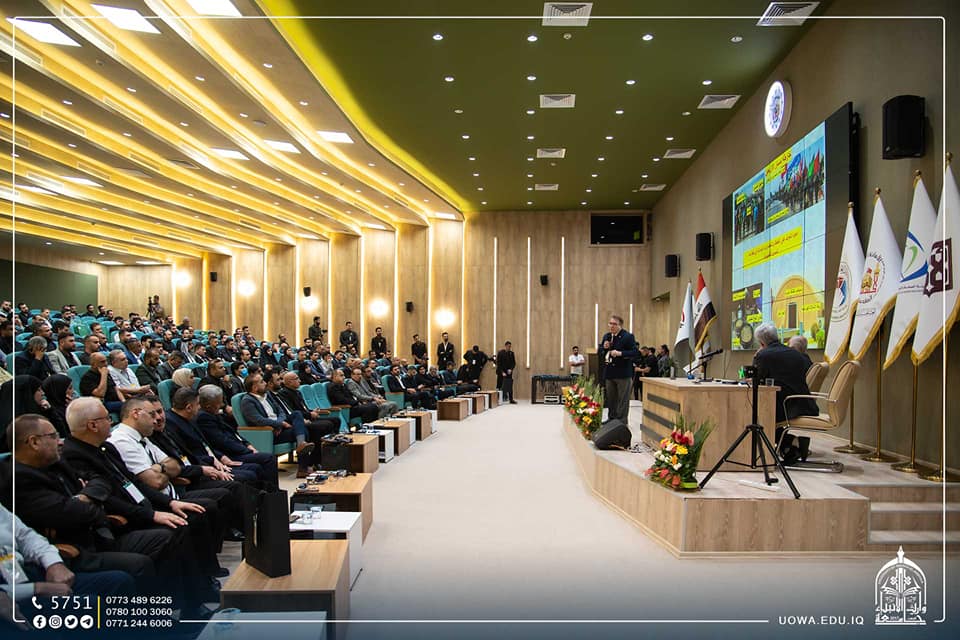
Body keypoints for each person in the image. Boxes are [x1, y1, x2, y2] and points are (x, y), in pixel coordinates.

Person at [753, 322, 819, 463]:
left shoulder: (763, 355)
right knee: (763, 411)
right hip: (804, 404)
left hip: (784, 406)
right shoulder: (796, 354)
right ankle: (790, 446)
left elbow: (755, 380)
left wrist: (757, 357)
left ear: (761, 342)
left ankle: (790, 443)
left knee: (755, 413)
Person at [598, 315, 638, 423]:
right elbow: (600, 352)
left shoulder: (627, 336)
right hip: (610, 373)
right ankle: (611, 419)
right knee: (611, 398)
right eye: (610, 323)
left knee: (622, 399)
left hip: (623, 373)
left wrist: (620, 353)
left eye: (614, 324)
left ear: (620, 325)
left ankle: (621, 421)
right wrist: (604, 348)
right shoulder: (607, 336)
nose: (611, 326)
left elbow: (634, 352)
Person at [0, 376, 49, 449]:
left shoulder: (40, 410)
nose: (43, 393)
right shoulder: (14, 424)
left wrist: (50, 411)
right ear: (27, 393)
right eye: (38, 390)